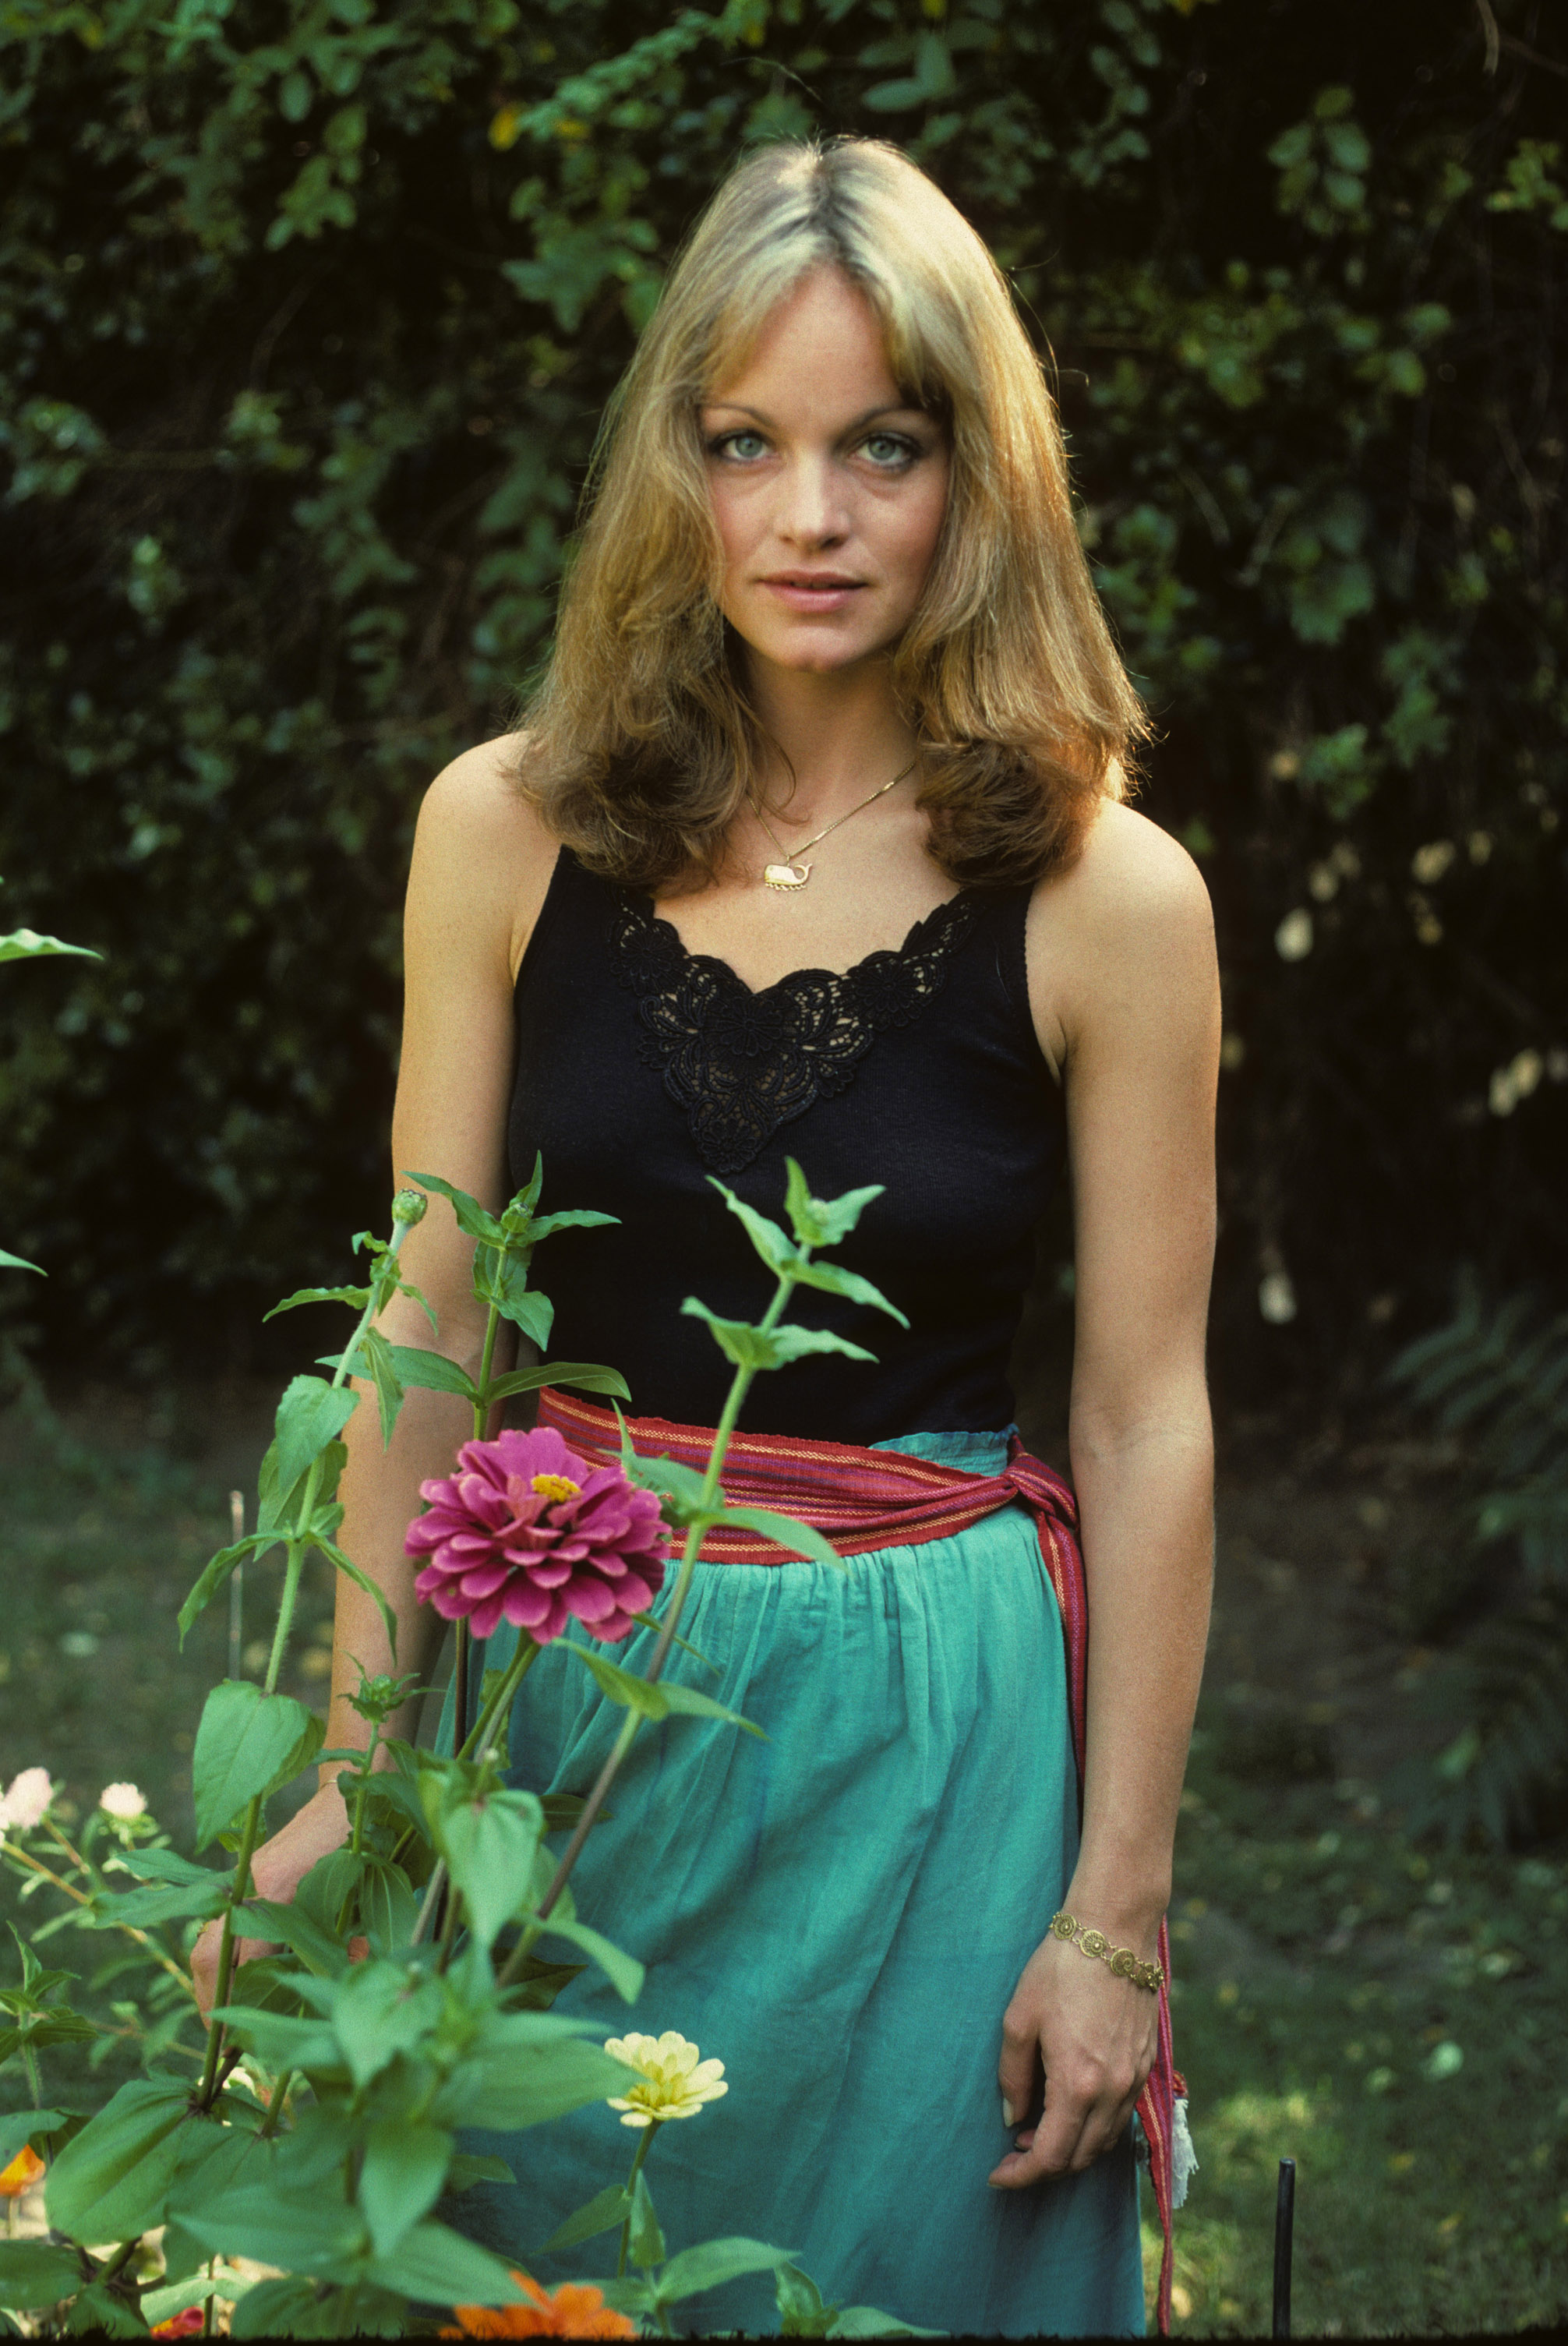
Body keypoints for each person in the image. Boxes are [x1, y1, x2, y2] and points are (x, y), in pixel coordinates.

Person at [196, 138, 1217, 2337]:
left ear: (980, 473)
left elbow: (1144, 1418)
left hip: (933, 1742)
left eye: (881, 446)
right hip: (558, 1705)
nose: (808, 518)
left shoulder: (1108, 898)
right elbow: (432, 1321)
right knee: (524, 2272)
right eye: (742, 442)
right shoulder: (498, 828)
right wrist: (361, 1783)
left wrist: (1114, 1912)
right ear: (672, 456)